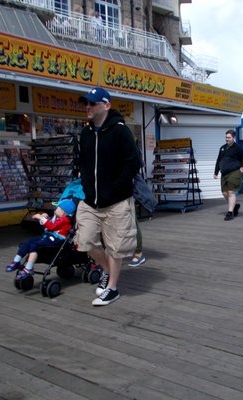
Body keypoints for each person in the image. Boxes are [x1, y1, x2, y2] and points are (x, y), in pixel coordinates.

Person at [76, 87, 141, 306]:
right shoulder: (85, 133)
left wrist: (115, 188)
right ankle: (105, 269)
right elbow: (82, 164)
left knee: (116, 246)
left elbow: (133, 163)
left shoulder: (121, 131)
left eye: (92, 103)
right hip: (91, 200)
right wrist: (86, 186)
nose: (88, 107)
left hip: (117, 200)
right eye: (86, 103)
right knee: (84, 241)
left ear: (106, 105)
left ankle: (112, 288)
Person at [6, 199, 77, 279]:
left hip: (55, 240)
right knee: (27, 242)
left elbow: (52, 226)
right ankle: (16, 261)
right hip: (49, 237)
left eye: (57, 208)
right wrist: (45, 218)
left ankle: (28, 268)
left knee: (34, 245)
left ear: (63, 212)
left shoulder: (64, 220)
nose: (55, 209)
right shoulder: (58, 218)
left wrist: (41, 218)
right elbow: (48, 227)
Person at [213, 129, 243, 221]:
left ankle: (230, 213)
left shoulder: (238, 148)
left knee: (231, 192)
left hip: (234, 172)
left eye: (229, 137)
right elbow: (218, 160)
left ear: (233, 138)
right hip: (224, 173)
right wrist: (216, 172)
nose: (227, 139)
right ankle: (234, 206)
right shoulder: (222, 148)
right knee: (225, 193)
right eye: (226, 137)